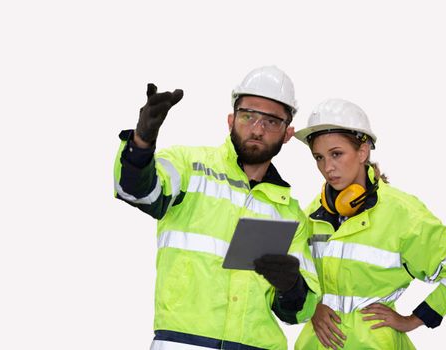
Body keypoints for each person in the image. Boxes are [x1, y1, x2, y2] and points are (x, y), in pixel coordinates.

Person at [113, 66, 321, 350]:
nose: (258, 129)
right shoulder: (190, 167)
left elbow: (300, 312)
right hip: (184, 344)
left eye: (272, 122)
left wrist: (291, 286)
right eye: (249, 116)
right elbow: (138, 192)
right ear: (231, 120)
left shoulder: (290, 214)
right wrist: (142, 142)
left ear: (287, 133)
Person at [292, 98, 446, 350]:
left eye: (336, 154)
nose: (327, 167)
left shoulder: (402, 213)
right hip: (316, 344)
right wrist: (311, 309)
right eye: (319, 157)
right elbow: (292, 276)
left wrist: (413, 319)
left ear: (362, 151)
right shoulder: (314, 213)